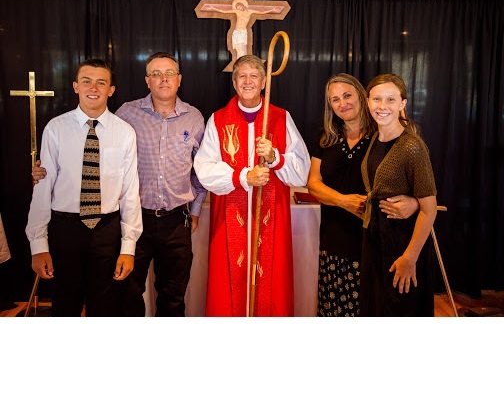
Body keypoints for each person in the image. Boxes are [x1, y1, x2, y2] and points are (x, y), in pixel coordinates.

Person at [34, 51, 207, 317]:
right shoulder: (127, 114)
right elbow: (99, 151)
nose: (163, 79)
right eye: (156, 74)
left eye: (169, 73)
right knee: (126, 295)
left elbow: (201, 168)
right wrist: (44, 172)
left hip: (175, 222)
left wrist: (194, 211)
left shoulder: (194, 118)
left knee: (173, 296)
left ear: (179, 79)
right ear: (147, 80)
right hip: (131, 218)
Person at [193, 54, 311, 316]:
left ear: (264, 82)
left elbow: (302, 171)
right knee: (229, 290)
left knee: (270, 288)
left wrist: (275, 157)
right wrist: (243, 178)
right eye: (242, 76)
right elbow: (204, 169)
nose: (248, 81)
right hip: (229, 218)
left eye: (254, 76)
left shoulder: (280, 118)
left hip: (271, 220)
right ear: (234, 82)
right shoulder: (218, 119)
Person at [25, 58, 142, 316]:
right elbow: (43, 189)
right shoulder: (56, 129)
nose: (94, 88)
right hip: (65, 229)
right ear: (76, 86)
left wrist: (128, 247)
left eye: (101, 82)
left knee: (106, 308)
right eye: (87, 81)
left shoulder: (125, 132)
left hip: (107, 230)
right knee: (65, 307)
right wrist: (39, 245)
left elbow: (130, 192)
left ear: (111, 89)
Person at [307, 73, 419, 317]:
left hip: (374, 242)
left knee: (372, 310)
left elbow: (417, 184)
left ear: (362, 96)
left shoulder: (384, 133)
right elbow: (313, 184)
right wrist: (343, 201)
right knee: (334, 310)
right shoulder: (326, 137)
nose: (342, 103)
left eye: (347, 95)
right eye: (335, 99)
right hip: (333, 239)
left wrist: (414, 203)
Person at [360, 73, 437, 316]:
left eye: (390, 100)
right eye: (376, 99)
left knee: (399, 310)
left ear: (403, 103)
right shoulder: (375, 138)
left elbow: (429, 209)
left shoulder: (412, 146)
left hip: (402, 244)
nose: (382, 106)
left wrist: (409, 258)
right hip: (375, 239)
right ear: (368, 102)